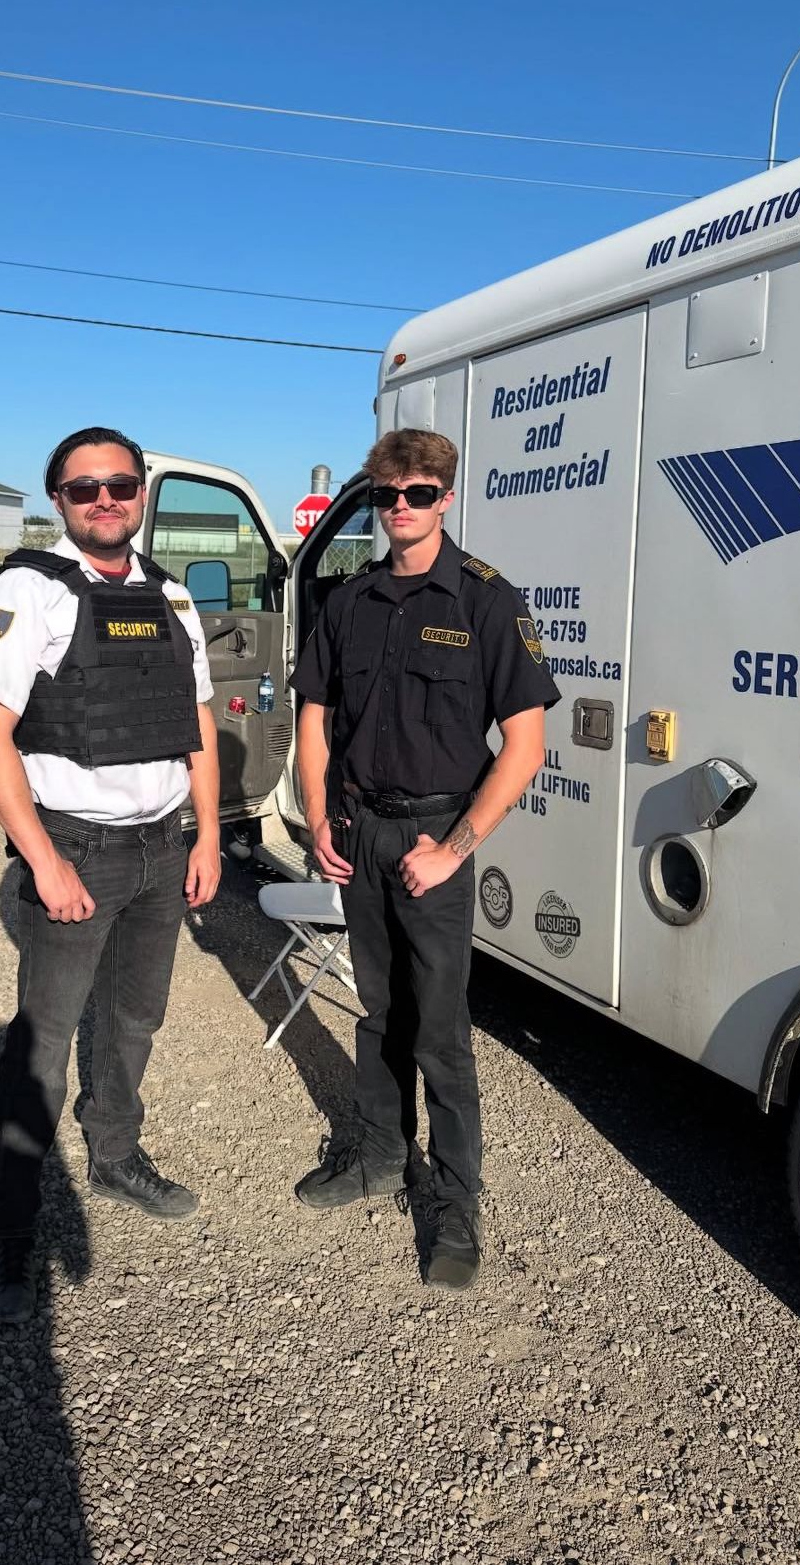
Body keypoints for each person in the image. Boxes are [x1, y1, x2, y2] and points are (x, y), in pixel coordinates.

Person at [0, 425, 221, 1322]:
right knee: (42, 1047)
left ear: (142, 491)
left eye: (120, 484)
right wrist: (45, 859)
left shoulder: (171, 595)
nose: (105, 500)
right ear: (59, 500)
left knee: (136, 1018)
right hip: (78, 849)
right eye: (84, 488)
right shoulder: (26, 590)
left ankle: (114, 1158)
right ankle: (13, 1232)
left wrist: (207, 837)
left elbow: (197, 723)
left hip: (163, 846)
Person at [289, 427, 559, 1291]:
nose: (399, 508)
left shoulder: (487, 601)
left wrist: (454, 849)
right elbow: (313, 720)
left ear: (445, 498)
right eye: (385, 495)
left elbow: (525, 747)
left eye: (416, 493)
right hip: (359, 833)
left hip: (434, 839)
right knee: (377, 1010)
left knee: (439, 1031)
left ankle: (455, 1199)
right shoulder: (349, 602)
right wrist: (318, 817)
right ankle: (378, 1155)